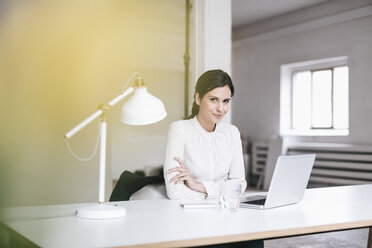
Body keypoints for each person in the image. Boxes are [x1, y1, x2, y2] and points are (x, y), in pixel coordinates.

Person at [163, 69, 264, 248]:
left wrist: (197, 186)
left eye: (226, 101)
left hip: (225, 213)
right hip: (192, 217)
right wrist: (221, 192)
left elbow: (240, 186)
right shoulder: (179, 130)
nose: (220, 108)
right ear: (197, 98)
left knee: (254, 237)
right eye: (213, 99)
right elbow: (175, 191)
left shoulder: (231, 132)